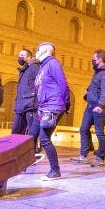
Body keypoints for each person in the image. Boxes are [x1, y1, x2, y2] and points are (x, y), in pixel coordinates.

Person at [34, 42, 70, 181]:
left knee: (44, 138)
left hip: (52, 106)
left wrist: (66, 103)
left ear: (44, 50)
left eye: (38, 49)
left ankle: (55, 171)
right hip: (44, 106)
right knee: (38, 135)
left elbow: (63, 84)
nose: (36, 52)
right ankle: (54, 170)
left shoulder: (53, 63)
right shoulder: (43, 66)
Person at [71, 50, 105, 167]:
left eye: (94, 58)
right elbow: (94, 87)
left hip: (99, 106)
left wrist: (100, 105)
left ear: (100, 59)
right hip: (90, 105)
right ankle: (83, 155)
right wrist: (87, 91)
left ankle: (100, 158)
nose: (92, 60)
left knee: (99, 132)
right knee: (83, 129)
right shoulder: (97, 72)